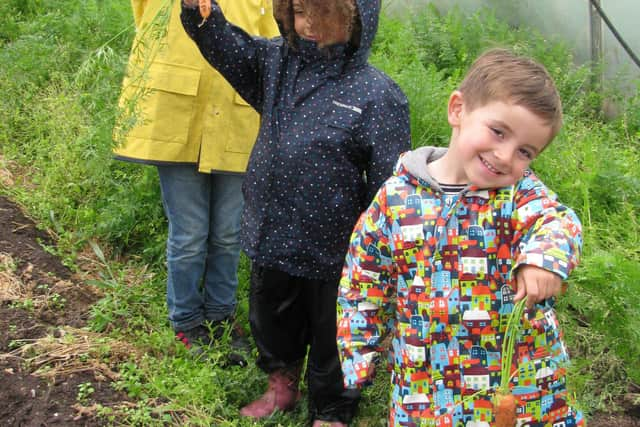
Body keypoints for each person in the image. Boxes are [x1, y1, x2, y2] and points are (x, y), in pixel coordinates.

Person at [180, 0, 411, 425]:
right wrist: (203, 14)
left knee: (334, 337)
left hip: (334, 252)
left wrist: (378, 252)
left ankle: (332, 410)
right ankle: (281, 386)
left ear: (357, 21)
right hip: (272, 235)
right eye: (299, 11)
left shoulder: (377, 94)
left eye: (323, 16)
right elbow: (231, 49)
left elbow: (388, 188)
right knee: (272, 319)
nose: (307, 25)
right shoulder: (274, 64)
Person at [337, 48, 585, 426]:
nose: (504, 156)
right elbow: (363, 277)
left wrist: (543, 259)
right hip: (425, 387)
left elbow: (558, 222)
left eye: (525, 151)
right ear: (458, 110)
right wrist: (358, 350)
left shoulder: (521, 196)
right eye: (498, 131)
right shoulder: (396, 199)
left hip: (518, 387)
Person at [113, 0, 279, 360]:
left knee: (228, 233)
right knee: (188, 233)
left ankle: (220, 316)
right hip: (176, 118)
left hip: (238, 124)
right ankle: (186, 319)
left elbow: (271, 48)